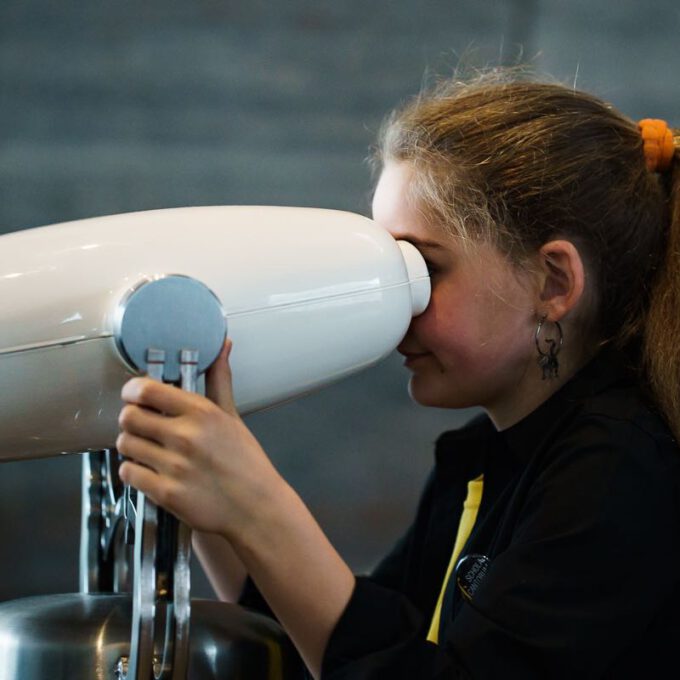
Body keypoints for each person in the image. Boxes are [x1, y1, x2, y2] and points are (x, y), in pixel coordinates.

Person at [115, 72, 680, 678]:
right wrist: (202, 481)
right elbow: (328, 647)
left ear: (553, 283)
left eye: (423, 271)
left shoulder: (620, 470)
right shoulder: (483, 458)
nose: (394, 311)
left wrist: (258, 505)